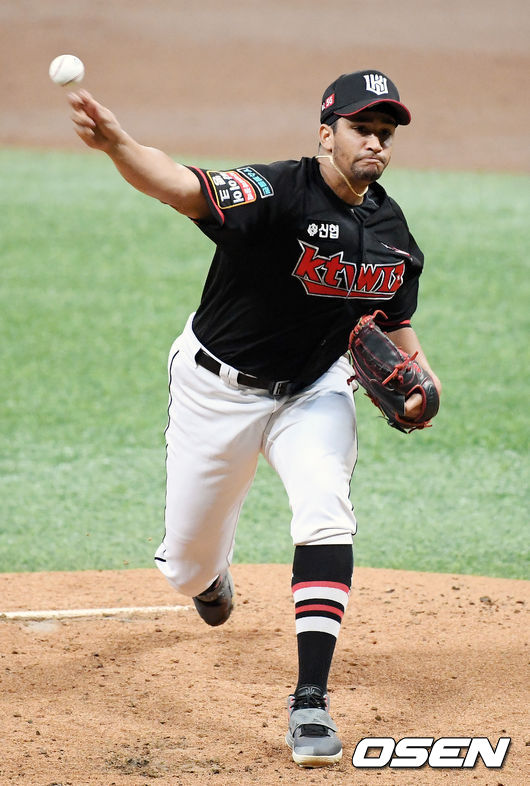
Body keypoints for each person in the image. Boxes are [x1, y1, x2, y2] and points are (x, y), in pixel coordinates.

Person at [68, 69, 441, 768]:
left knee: (326, 510)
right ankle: (208, 577)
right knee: (186, 566)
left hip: (314, 390)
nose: (375, 143)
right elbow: (178, 185)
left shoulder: (393, 235)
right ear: (326, 134)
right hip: (216, 390)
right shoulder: (275, 192)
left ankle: (310, 702)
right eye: (362, 128)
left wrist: (421, 374)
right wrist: (119, 145)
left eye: (385, 134)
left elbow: (396, 321)